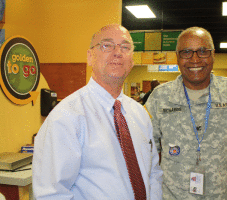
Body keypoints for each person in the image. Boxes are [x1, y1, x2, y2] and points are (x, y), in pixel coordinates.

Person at [32, 24, 163, 199]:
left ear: (131, 60)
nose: (117, 52)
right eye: (107, 45)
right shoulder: (66, 117)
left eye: (125, 47)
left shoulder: (140, 114)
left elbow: (152, 173)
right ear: (90, 56)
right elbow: (52, 194)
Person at [145, 26, 227, 199]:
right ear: (177, 58)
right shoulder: (160, 98)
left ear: (213, 55)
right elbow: (145, 155)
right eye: (186, 52)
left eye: (203, 51)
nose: (195, 59)